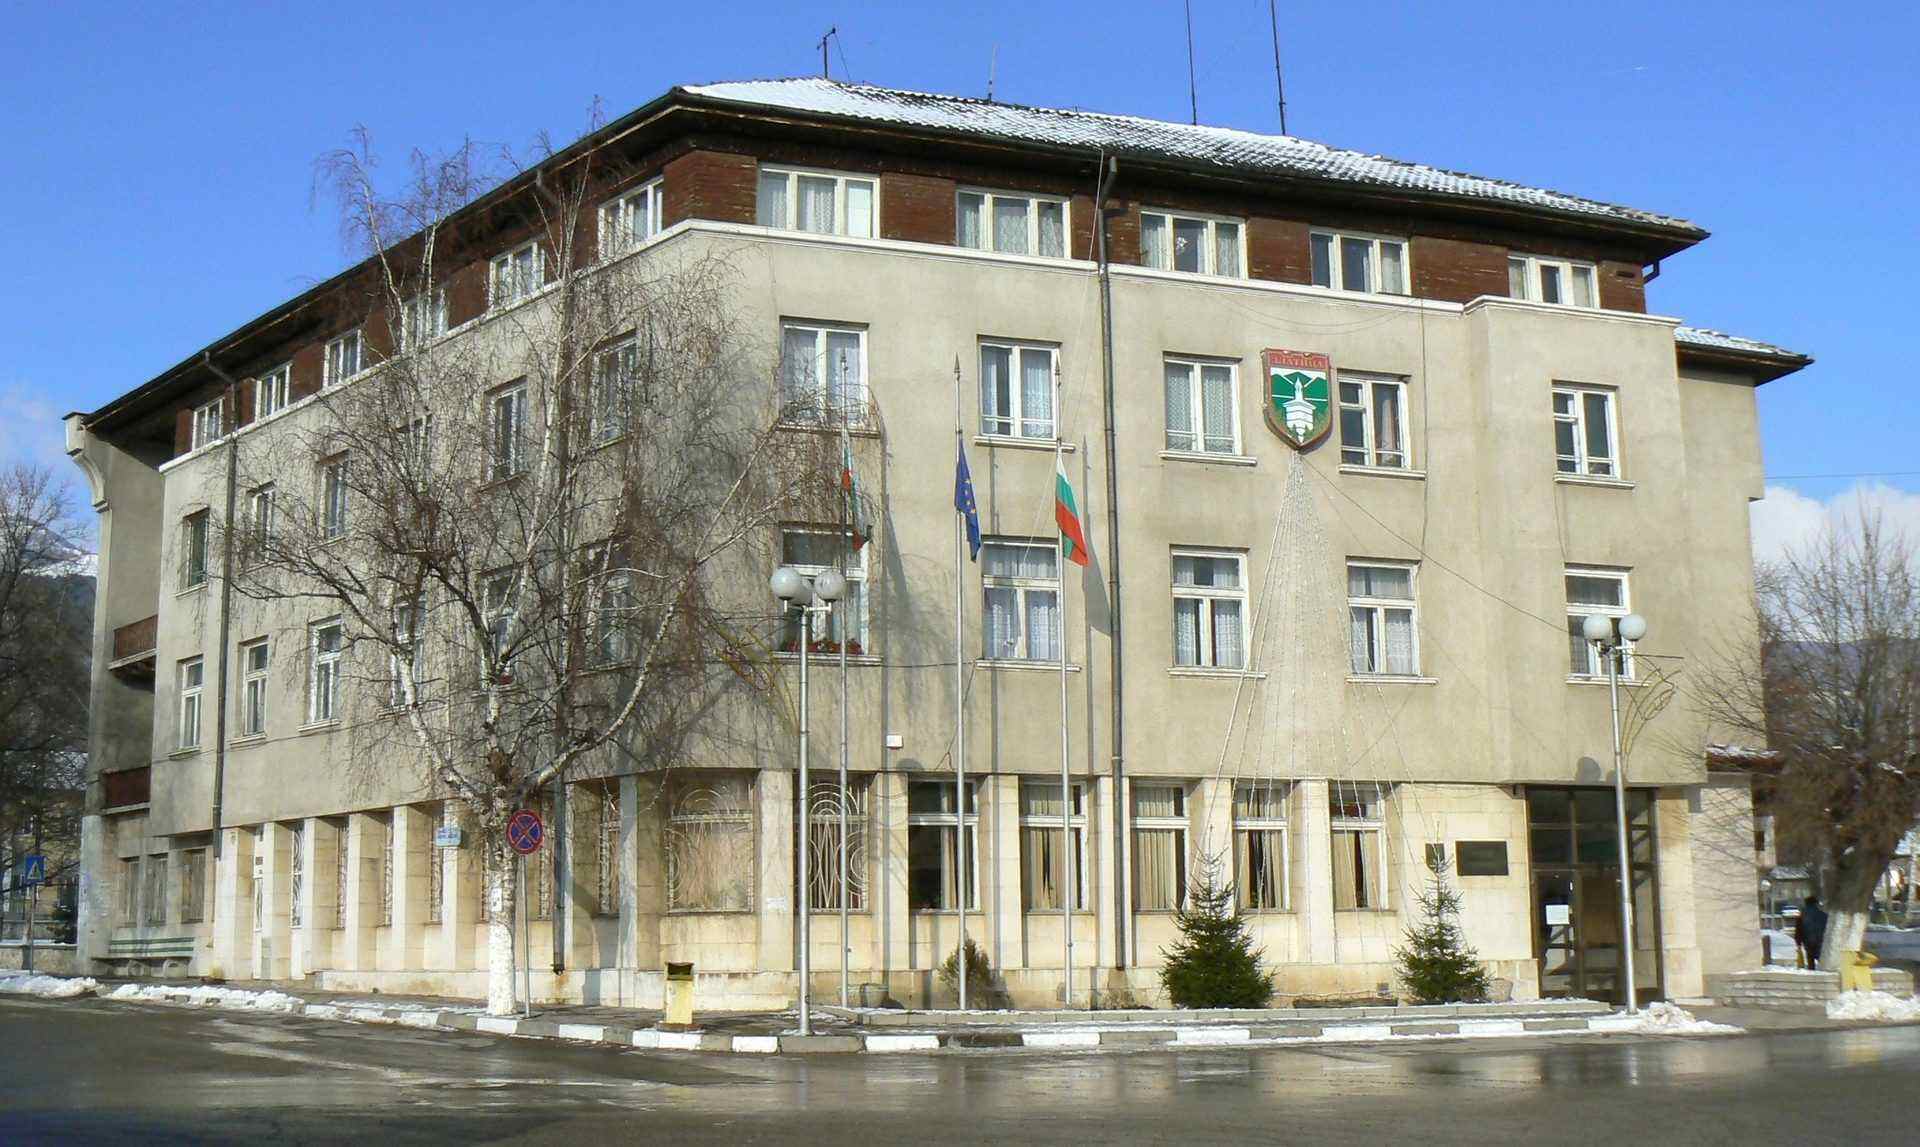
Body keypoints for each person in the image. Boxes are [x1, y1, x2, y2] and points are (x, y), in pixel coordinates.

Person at [1795, 895, 1829, 969]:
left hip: (1808, 941)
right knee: (1820, 958)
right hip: (1820, 940)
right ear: (1815, 903)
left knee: (1810, 959)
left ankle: (1811, 970)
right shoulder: (1822, 914)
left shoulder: (1802, 915)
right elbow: (1827, 927)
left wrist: (1798, 943)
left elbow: (1798, 930)